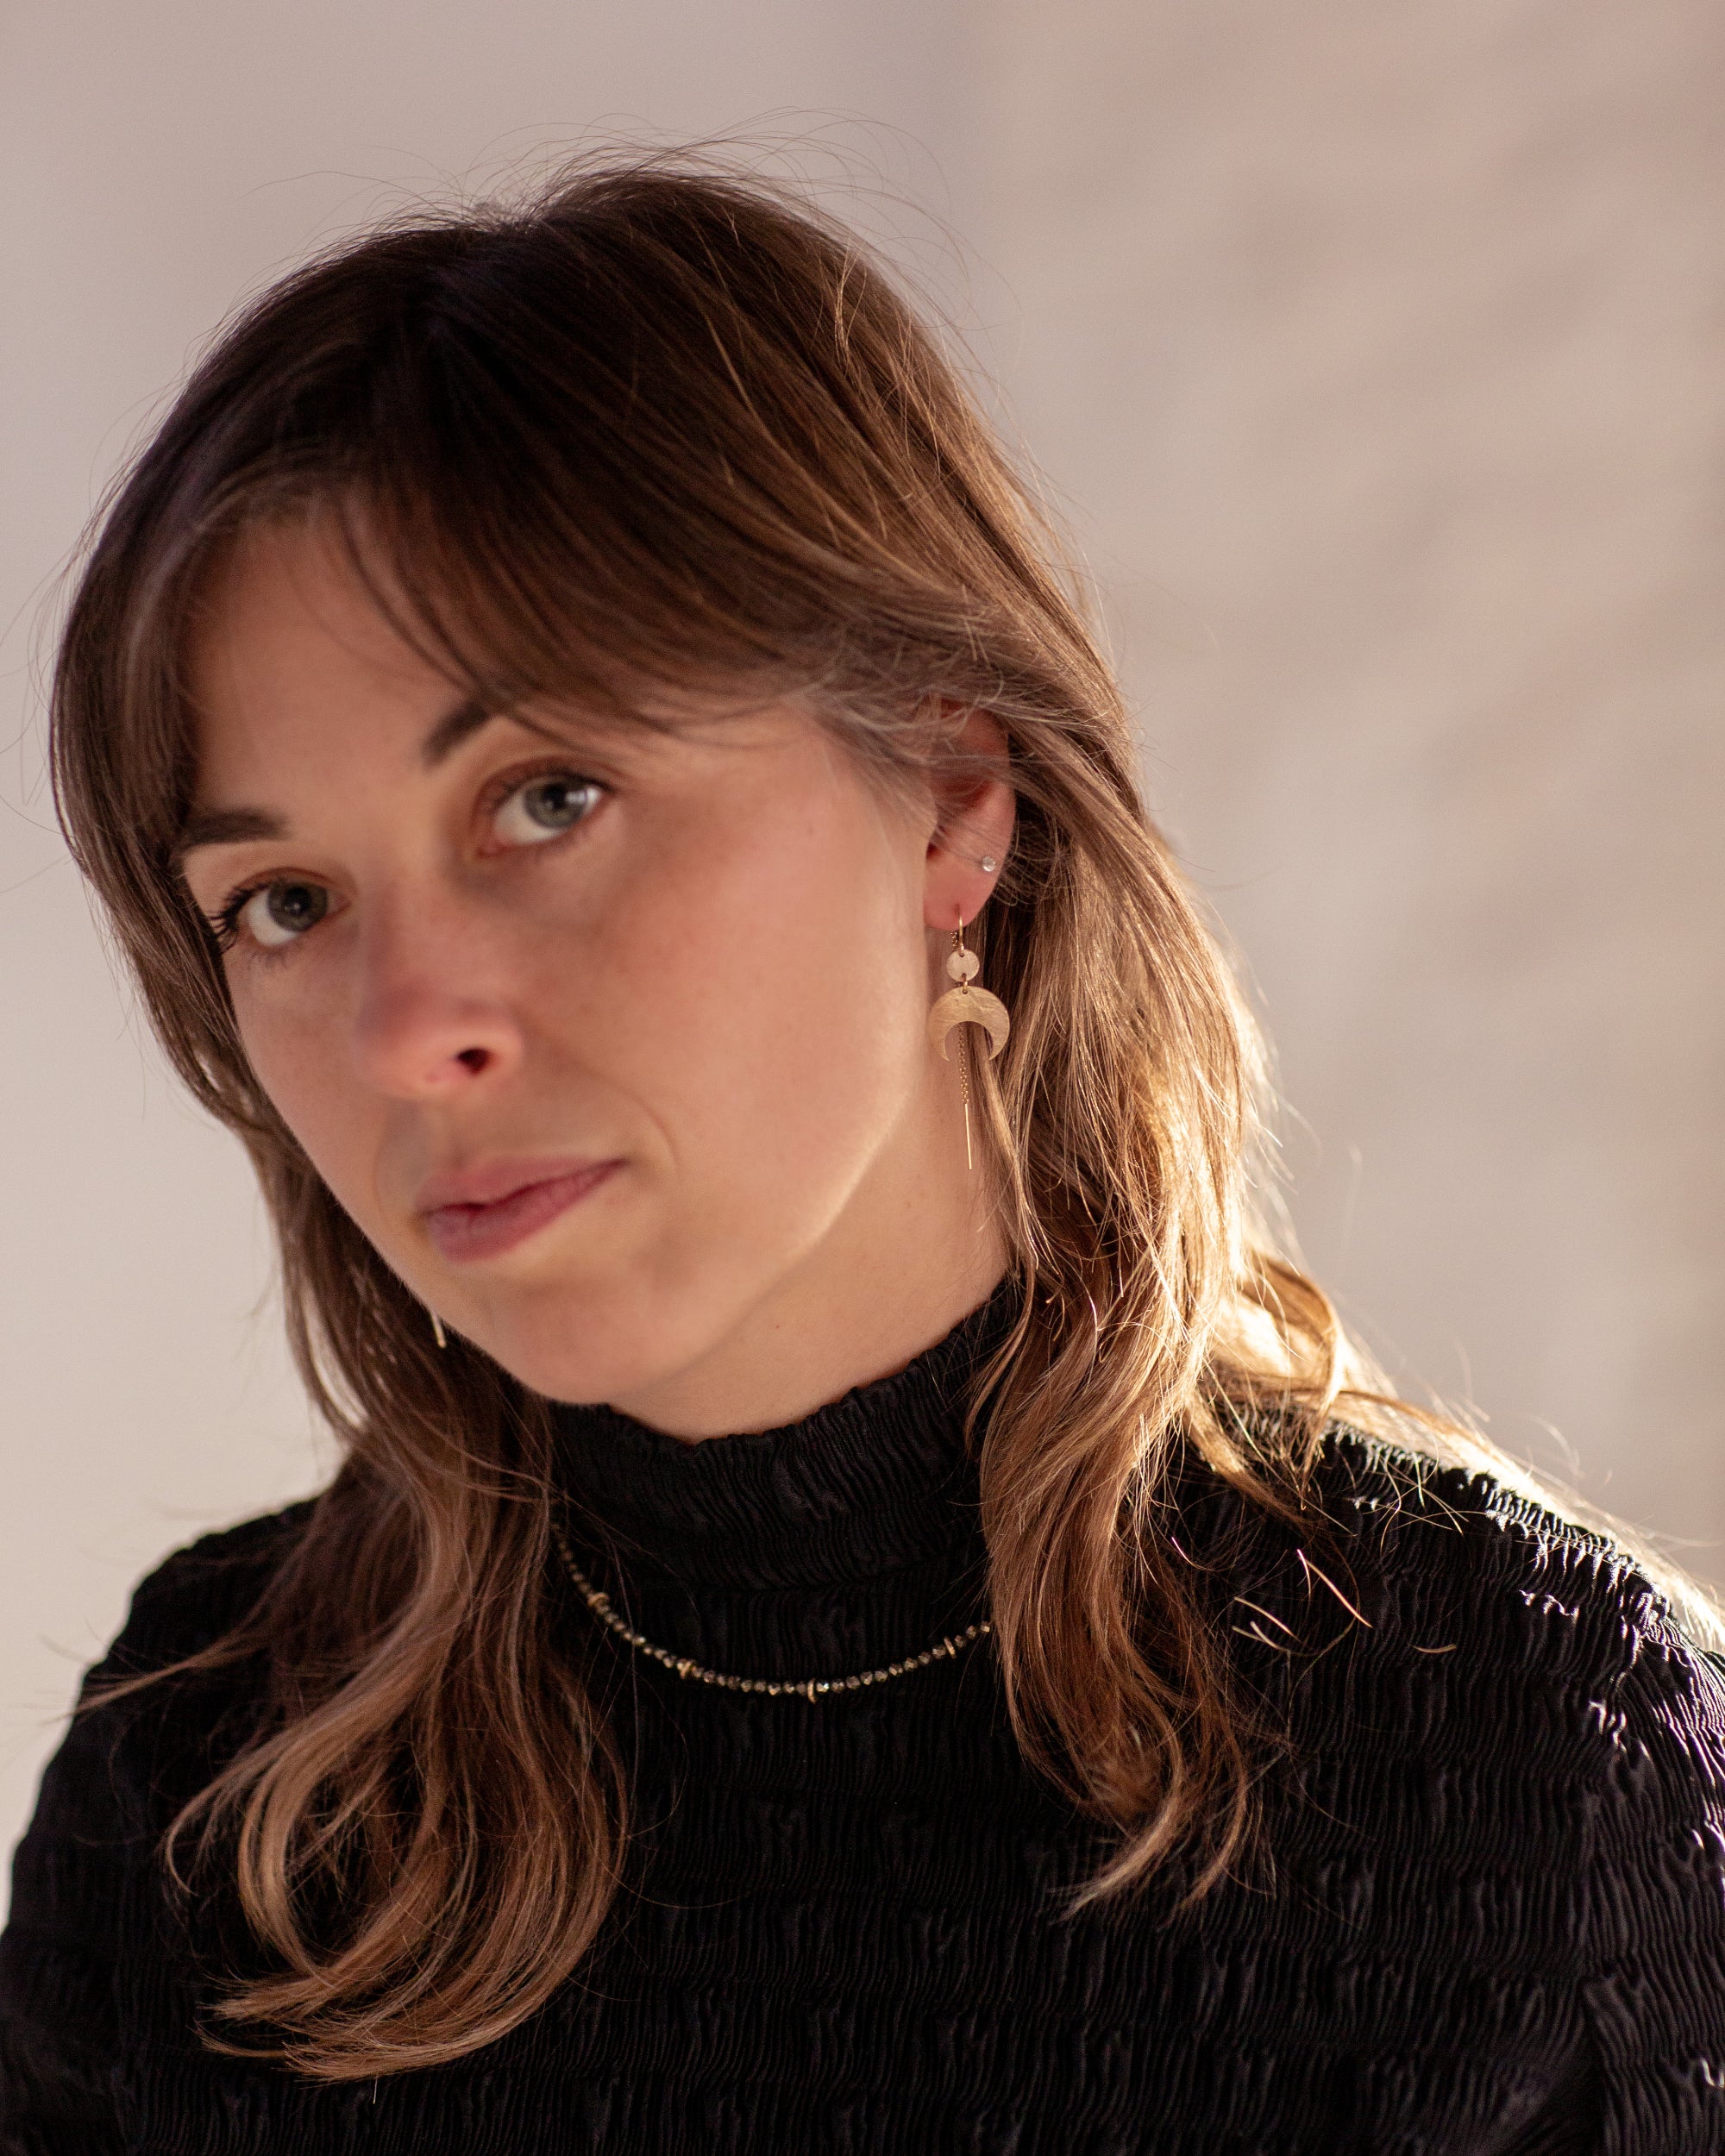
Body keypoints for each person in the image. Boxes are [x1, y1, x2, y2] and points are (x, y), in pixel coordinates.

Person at [3, 154, 1723, 2156]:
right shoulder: (208, 1779)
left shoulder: (1521, 1761)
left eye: (545, 796)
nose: (402, 1028)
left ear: (948, 796)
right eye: (282, 902)